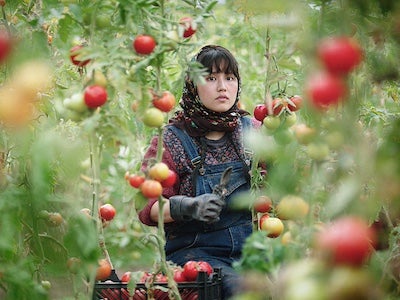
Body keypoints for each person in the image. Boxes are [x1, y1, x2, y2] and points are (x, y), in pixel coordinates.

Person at [138, 45, 257, 299]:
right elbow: (149, 208)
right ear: (193, 85)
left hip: (253, 250)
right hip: (196, 256)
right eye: (211, 78)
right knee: (236, 289)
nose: (223, 86)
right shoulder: (170, 139)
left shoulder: (253, 131)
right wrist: (188, 206)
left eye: (229, 77)